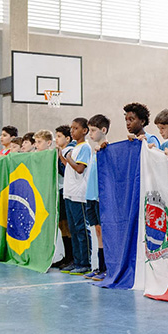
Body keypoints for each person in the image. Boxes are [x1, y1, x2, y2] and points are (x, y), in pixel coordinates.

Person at [58, 118, 92, 275]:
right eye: (71, 128)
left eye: (76, 128)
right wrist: (62, 155)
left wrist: (69, 157)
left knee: (81, 229)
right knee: (72, 229)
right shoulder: (74, 148)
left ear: (84, 131)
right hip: (69, 192)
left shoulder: (85, 147)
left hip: (79, 194)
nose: (72, 131)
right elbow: (69, 167)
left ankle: (85, 262)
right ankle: (77, 261)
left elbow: (79, 168)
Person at [83, 114, 110, 281]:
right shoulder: (94, 152)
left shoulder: (107, 149)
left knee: (103, 232)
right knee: (97, 231)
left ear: (103, 130)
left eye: (93, 130)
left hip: (100, 197)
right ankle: (99, 267)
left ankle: (107, 268)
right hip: (90, 196)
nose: (90, 134)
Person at [51, 125, 75, 269]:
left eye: (59, 136)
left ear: (67, 138)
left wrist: (60, 157)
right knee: (62, 225)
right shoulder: (59, 151)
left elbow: (67, 170)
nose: (56, 139)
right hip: (60, 191)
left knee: (68, 225)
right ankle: (66, 256)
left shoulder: (70, 150)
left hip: (69, 191)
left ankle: (72, 257)